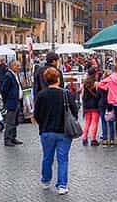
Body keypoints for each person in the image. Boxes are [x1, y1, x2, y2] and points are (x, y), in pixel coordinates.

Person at [33, 67, 77, 195]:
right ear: (58, 79)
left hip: (47, 131)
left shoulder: (41, 95)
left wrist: (43, 123)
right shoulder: (65, 93)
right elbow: (74, 110)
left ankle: (46, 181)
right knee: (62, 159)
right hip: (63, 131)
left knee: (47, 157)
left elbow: (37, 114)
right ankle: (62, 185)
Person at [0, 60, 24, 146]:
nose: (19, 67)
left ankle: (13, 137)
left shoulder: (15, 74)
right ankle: (7, 139)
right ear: (12, 66)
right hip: (12, 102)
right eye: (17, 66)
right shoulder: (8, 75)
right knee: (10, 121)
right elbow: (4, 90)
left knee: (15, 121)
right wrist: (7, 100)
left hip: (17, 101)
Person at [80, 73, 102, 146]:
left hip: (87, 106)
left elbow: (82, 95)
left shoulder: (85, 83)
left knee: (87, 122)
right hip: (95, 105)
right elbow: (98, 94)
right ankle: (93, 139)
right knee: (94, 122)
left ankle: (84, 138)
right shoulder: (96, 84)